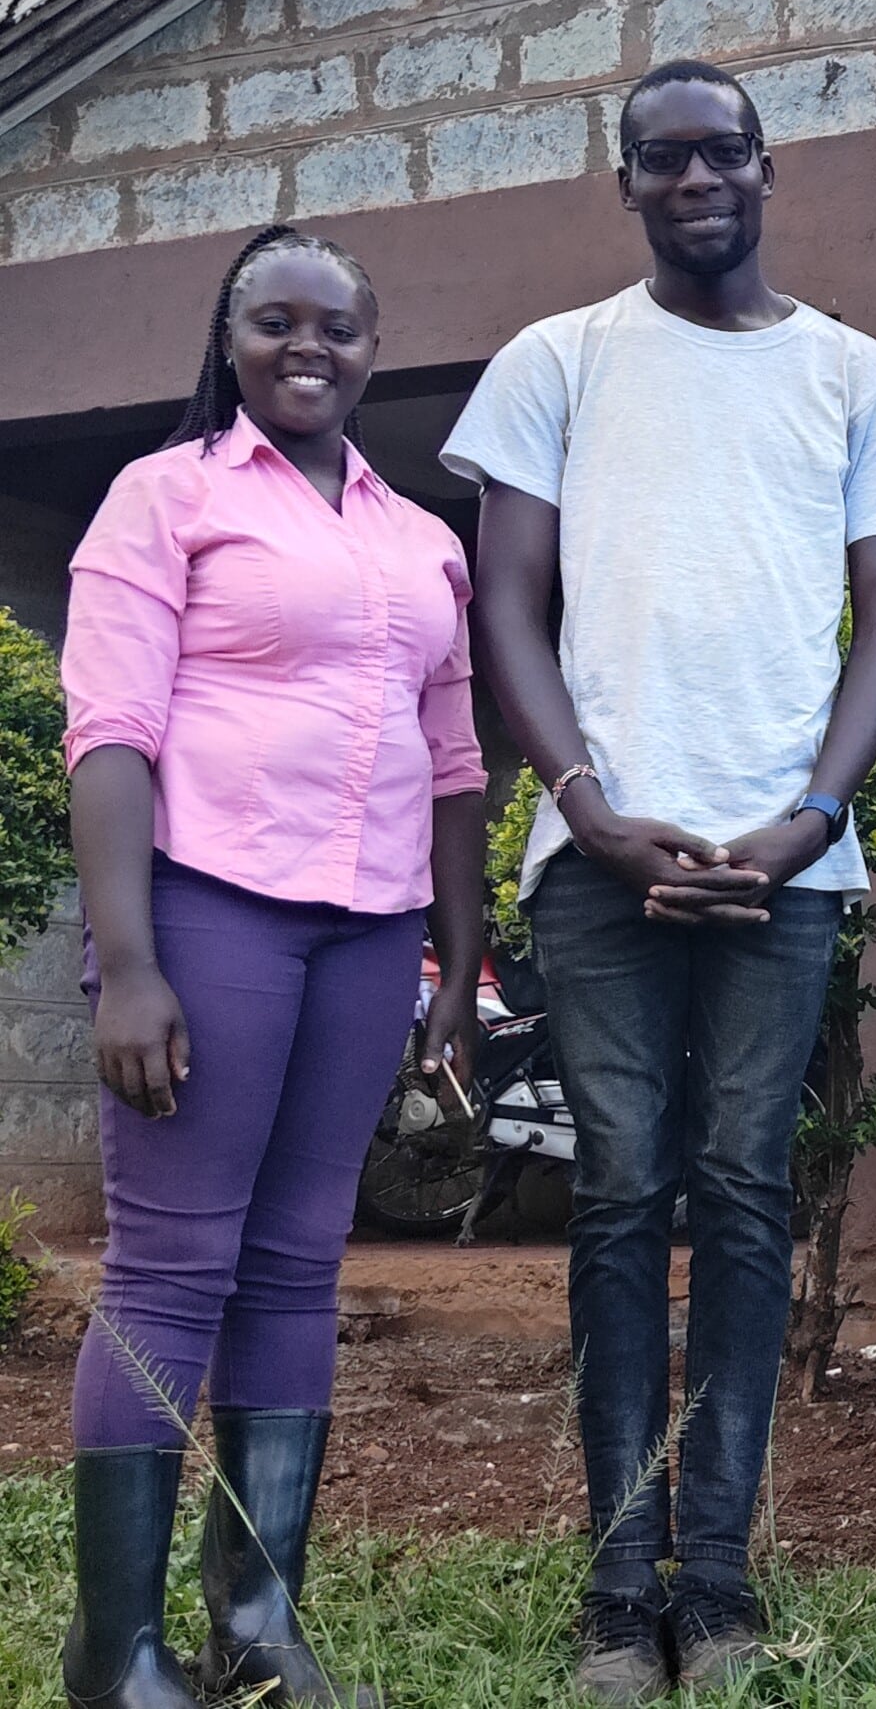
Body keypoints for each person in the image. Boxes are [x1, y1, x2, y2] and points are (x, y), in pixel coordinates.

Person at [442, 59, 876, 1703]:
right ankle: (618, 1591)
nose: (692, 182)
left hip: (783, 866)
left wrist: (813, 817)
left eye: (717, 154)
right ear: (625, 182)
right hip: (600, 860)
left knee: (741, 1197)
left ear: (763, 165)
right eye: (659, 160)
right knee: (613, 1197)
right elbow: (506, 607)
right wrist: (589, 810)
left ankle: (718, 1579)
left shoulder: (859, 375)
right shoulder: (558, 363)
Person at [58, 224, 487, 1709]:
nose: (310, 348)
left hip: (368, 936)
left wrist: (457, 953)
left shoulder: (421, 536)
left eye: (341, 327)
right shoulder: (163, 497)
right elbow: (111, 728)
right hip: (213, 913)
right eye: (277, 322)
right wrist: (127, 961)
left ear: (377, 347)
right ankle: (115, 1659)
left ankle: (258, 1634)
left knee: (299, 1269)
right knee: (176, 1269)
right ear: (230, 336)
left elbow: (453, 762)